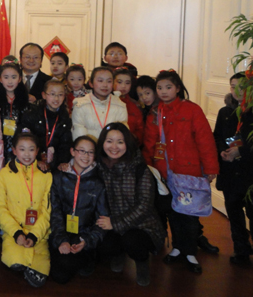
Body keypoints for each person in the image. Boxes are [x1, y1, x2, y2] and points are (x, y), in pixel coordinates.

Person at [143, 70, 219, 274]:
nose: (164, 91)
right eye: (160, 88)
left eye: (168, 87)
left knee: (190, 214)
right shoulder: (155, 112)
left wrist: (211, 168)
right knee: (173, 212)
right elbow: (150, 143)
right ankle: (177, 247)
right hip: (164, 173)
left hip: (188, 172)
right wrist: (148, 169)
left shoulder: (192, 110)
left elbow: (205, 140)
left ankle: (190, 251)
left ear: (177, 88)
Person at [95, 123, 165, 286]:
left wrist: (115, 223)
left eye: (120, 142)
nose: (114, 147)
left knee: (133, 241)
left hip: (142, 225)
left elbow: (145, 206)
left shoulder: (139, 167)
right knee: (104, 244)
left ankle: (141, 262)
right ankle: (118, 253)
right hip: (111, 222)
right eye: (109, 141)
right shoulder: (98, 166)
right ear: (102, 143)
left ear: (127, 143)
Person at [0, 130, 53, 288]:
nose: (27, 154)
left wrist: (34, 235)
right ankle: (21, 257)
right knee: (13, 261)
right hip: (14, 231)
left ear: (37, 151)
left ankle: (32, 255)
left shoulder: (46, 175)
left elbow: (47, 211)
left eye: (31, 149)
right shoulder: (4, 174)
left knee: (41, 274)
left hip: (39, 233)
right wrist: (16, 233)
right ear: (14, 150)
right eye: (22, 149)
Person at [49, 136, 107, 284]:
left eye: (90, 152)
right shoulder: (58, 177)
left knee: (75, 266)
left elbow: (102, 219)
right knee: (60, 276)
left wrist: (86, 241)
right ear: (72, 151)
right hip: (62, 232)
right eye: (82, 151)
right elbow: (54, 212)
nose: (86, 156)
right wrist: (62, 240)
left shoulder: (98, 182)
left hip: (84, 236)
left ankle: (88, 257)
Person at [213, 72, 253, 265]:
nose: (237, 90)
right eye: (233, 86)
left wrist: (240, 151)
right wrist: (222, 151)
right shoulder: (225, 112)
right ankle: (241, 250)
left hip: (249, 173)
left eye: (242, 86)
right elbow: (218, 136)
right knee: (234, 214)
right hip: (230, 172)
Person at [20, 79, 73, 169]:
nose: (56, 98)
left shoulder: (65, 117)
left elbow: (65, 143)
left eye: (60, 95)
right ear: (44, 95)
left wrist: (62, 162)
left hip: (55, 163)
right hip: (31, 160)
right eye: (52, 94)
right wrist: (35, 160)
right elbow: (24, 139)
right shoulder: (32, 113)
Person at [72, 67, 127, 140]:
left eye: (109, 81)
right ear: (91, 83)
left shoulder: (120, 105)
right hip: (87, 147)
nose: (105, 85)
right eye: (100, 81)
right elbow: (79, 137)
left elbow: (123, 135)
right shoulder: (80, 105)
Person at [0, 57, 31, 163]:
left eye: (14, 77)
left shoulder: (25, 101)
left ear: (19, 79)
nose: (10, 81)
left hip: (20, 146)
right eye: (6, 77)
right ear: (0, 79)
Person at [113, 68, 144, 144]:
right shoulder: (105, 101)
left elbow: (140, 129)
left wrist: (134, 137)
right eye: (119, 82)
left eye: (127, 83)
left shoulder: (135, 105)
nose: (123, 86)